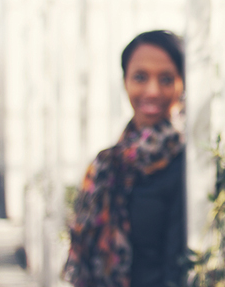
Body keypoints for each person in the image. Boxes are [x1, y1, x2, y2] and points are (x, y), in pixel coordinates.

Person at [63, 30, 187, 287]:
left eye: (166, 79)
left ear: (182, 85)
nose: (152, 91)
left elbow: (176, 270)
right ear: (125, 82)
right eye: (140, 77)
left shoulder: (185, 166)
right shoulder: (106, 164)